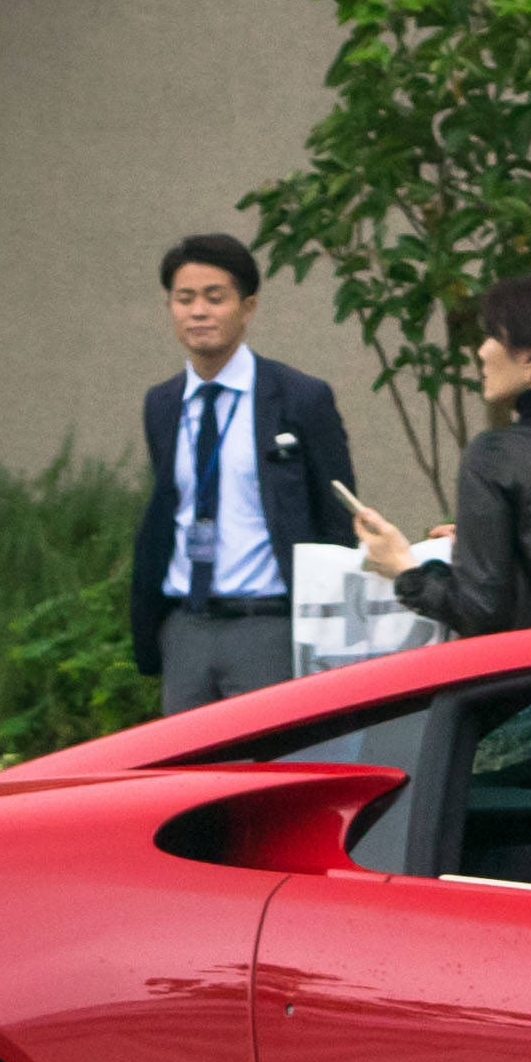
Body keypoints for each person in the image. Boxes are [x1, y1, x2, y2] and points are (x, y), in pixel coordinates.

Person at [129, 232, 358, 714]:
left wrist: (328, 630)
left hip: (269, 624)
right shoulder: (163, 403)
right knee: (188, 780)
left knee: (271, 770)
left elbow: (338, 518)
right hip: (185, 626)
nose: (198, 312)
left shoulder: (300, 398)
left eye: (215, 298)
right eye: (184, 298)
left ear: (247, 307)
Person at [350, 271, 531, 637]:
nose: (481, 350)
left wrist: (404, 569)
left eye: (492, 336)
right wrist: (483, 540)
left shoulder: (495, 455)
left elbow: (481, 610)